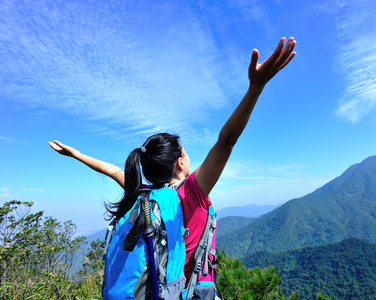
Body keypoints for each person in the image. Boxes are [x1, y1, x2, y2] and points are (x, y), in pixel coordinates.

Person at [49, 37, 296, 298]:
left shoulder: (142, 194)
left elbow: (111, 170)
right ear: (179, 162)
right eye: (186, 151)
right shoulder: (190, 194)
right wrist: (255, 89)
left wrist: (77, 155)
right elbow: (226, 141)